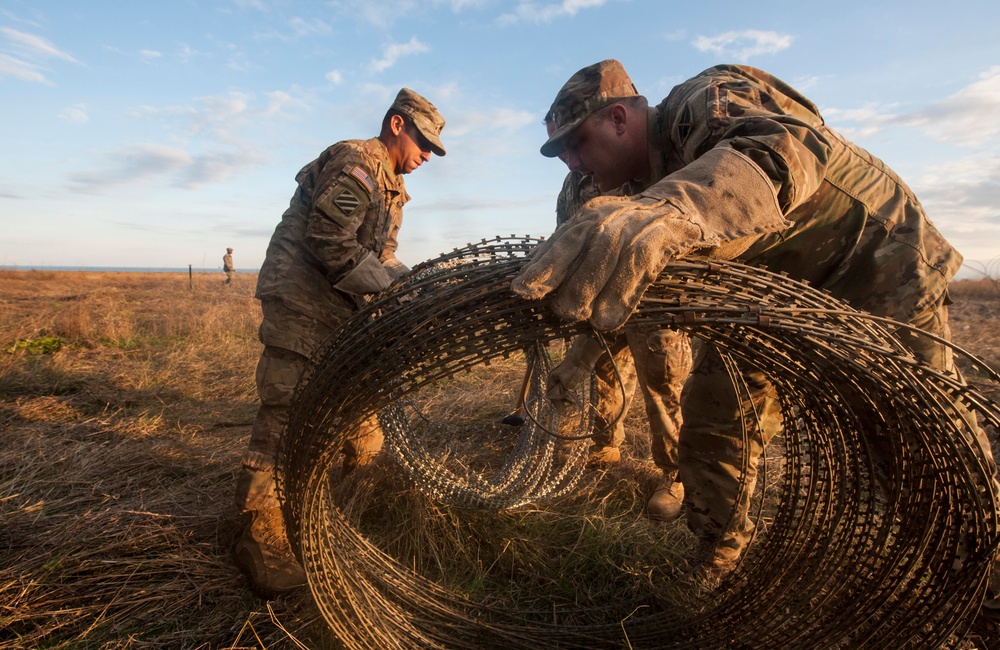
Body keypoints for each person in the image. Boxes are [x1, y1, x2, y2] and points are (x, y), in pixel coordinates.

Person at [512, 60, 999, 598]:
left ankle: (986, 582)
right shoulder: (615, 186)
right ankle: (715, 560)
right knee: (716, 422)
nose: (574, 165)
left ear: (620, 119)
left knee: (921, 437)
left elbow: (783, 146)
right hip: (765, 300)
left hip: (875, 269)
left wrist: (674, 208)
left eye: (576, 145)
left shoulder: (705, 100)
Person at [233, 88, 446, 597]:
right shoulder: (359, 161)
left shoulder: (393, 188)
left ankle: (346, 498)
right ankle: (256, 531)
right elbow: (328, 240)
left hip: (338, 306)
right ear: (398, 125)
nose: (425, 157)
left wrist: (415, 282)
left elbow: (383, 254)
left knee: (354, 403)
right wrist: (390, 284)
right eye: (423, 144)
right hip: (303, 299)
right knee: (287, 410)